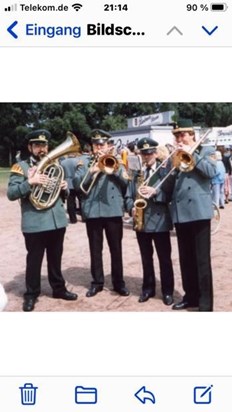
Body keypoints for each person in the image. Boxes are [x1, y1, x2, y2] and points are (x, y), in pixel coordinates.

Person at [7, 129, 78, 311]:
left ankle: (58, 289)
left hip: (56, 221)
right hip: (35, 223)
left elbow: (62, 195)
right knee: (34, 261)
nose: (42, 149)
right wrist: (30, 182)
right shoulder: (20, 167)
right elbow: (11, 193)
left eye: (44, 145)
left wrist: (63, 187)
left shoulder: (56, 164)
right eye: (37, 145)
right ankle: (31, 294)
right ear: (30, 147)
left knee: (55, 259)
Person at [73, 129, 130, 297]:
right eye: (96, 144)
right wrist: (92, 170)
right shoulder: (83, 162)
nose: (99, 147)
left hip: (112, 211)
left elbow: (126, 184)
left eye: (102, 144)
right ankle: (97, 282)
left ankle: (118, 283)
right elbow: (77, 184)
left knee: (116, 249)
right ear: (92, 146)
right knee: (95, 250)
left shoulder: (117, 160)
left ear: (108, 145)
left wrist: (114, 170)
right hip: (93, 212)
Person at [169, 119, 217, 312]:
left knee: (202, 260)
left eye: (183, 134)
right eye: (177, 135)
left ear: (192, 135)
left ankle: (205, 303)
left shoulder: (205, 151)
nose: (180, 138)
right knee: (185, 259)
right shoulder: (175, 155)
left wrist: (192, 154)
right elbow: (171, 182)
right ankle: (191, 297)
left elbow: (211, 172)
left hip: (198, 212)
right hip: (181, 214)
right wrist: (155, 192)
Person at [125, 138, 174, 305]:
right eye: (144, 154)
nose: (147, 157)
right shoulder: (137, 172)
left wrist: (156, 192)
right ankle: (148, 288)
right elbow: (128, 195)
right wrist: (131, 206)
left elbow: (171, 194)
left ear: (155, 152)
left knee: (164, 259)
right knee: (146, 258)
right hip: (142, 222)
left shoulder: (164, 170)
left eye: (150, 153)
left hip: (160, 221)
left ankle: (167, 291)